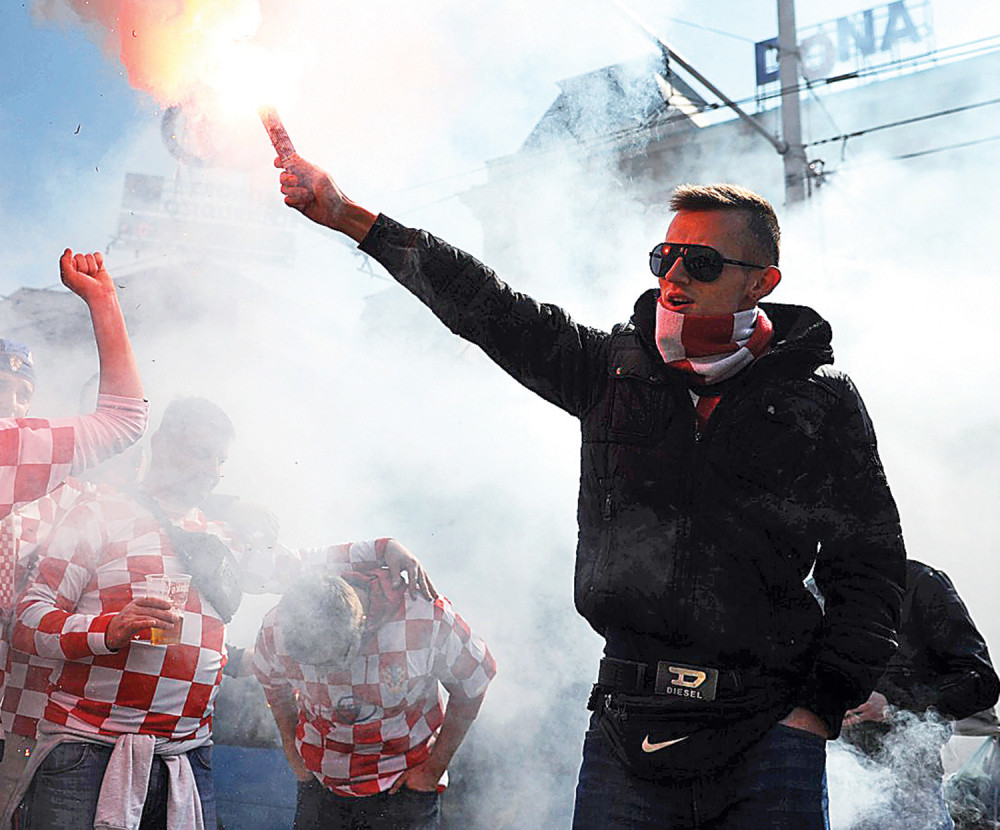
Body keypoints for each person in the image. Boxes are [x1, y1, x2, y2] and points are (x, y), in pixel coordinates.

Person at [273, 154, 907, 829]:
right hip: (626, 719)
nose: (674, 276)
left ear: (762, 282)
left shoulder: (820, 400)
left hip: (768, 728)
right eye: (665, 256)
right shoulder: (612, 369)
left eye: (702, 262)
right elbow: (488, 307)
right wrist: (349, 218)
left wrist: (817, 708)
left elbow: (870, 566)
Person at [5, 397, 432, 828]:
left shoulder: (219, 534)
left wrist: (381, 548)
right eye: (201, 452)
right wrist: (109, 629)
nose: (212, 470)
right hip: (88, 749)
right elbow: (27, 619)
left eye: (221, 459)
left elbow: (300, 563)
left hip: (187, 755)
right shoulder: (98, 515)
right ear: (164, 445)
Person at [252, 552, 496, 830]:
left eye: (333, 661)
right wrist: (292, 754)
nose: (326, 673)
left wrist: (432, 771)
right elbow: (274, 686)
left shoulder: (426, 616)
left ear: (363, 624)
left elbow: (475, 682)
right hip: (319, 784)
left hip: (403, 788)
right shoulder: (278, 625)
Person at [840, 559, 1000, 829]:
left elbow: (981, 683)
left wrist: (893, 704)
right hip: (836, 786)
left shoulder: (921, 584)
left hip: (910, 793)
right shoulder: (812, 591)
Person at [0, 251, 147, 518]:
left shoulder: (37, 478)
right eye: (0, 386)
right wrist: (103, 299)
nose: (10, 403)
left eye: (23, 394)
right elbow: (124, 419)